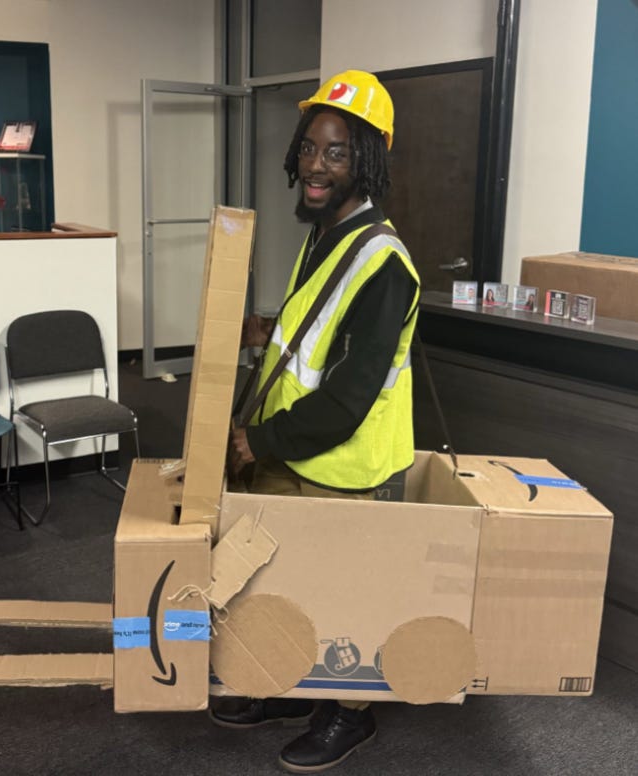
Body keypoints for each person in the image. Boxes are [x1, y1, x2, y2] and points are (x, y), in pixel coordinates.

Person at [212, 70, 421, 773]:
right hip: (292, 455)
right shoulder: (324, 235)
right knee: (289, 586)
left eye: (335, 153)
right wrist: (266, 331)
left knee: (345, 595)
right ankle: (301, 689)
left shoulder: (382, 261)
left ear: (366, 161)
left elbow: (349, 396)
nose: (313, 166)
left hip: (343, 465)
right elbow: (322, 341)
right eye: (307, 148)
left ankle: (348, 714)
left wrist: (255, 440)